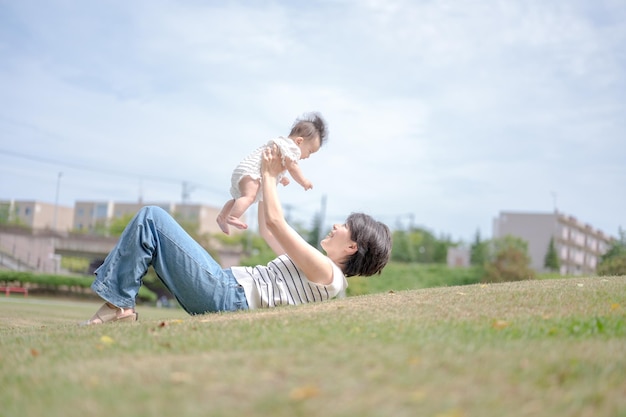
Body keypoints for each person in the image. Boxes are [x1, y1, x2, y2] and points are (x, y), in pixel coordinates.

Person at [82, 144, 392, 325]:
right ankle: (121, 304)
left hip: (228, 295)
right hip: (225, 288)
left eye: (344, 226)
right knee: (153, 223)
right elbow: (269, 227)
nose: (336, 226)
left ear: (352, 245)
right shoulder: (319, 270)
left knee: (152, 218)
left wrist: (270, 175)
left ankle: (121, 305)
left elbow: (275, 222)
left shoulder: (328, 274)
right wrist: (265, 181)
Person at [216, 112, 328, 235]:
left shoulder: (282, 143)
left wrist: (281, 178)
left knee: (238, 198)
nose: (307, 156)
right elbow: (293, 167)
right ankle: (233, 217)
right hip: (251, 172)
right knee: (249, 197)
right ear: (300, 141)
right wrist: (303, 181)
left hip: (245, 170)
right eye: (310, 151)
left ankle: (222, 216)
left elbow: (274, 166)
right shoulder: (292, 148)